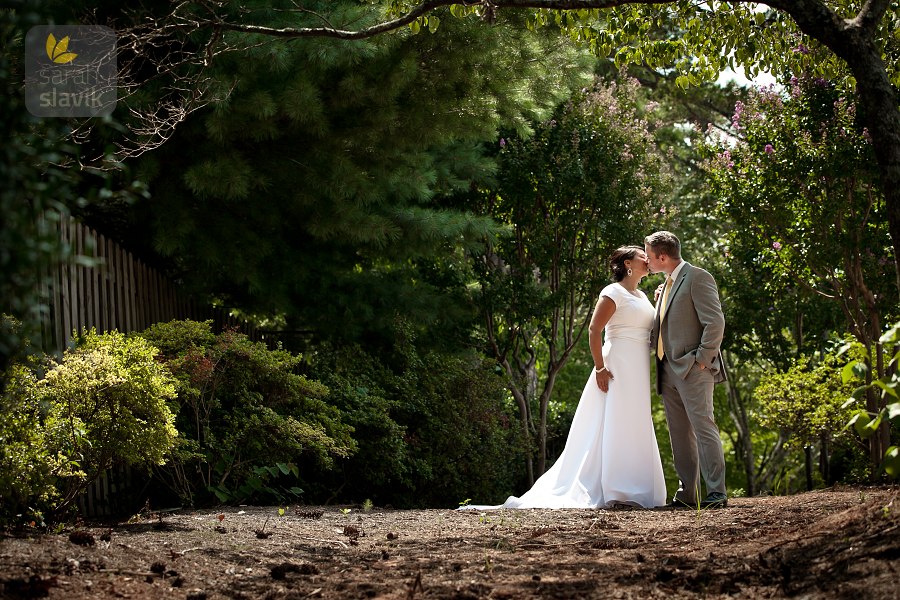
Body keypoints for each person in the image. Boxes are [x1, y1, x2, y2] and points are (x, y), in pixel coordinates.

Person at [461, 246, 666, 510]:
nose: (648, 260)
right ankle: (617, 489)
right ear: (628, 263)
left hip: (638, 367)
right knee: (614, 419)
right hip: (617, 365)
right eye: (642, 256)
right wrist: (600, 368)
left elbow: (649, 327)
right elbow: (594, 330)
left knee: (633, 419)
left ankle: (636, 486)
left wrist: (659, 300)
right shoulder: (612, 292)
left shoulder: (642, 295)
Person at [645, 231, 728, 509]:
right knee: (679, 434)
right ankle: (686, 496)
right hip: (666, 370)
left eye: (649, 255)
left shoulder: (698, 277)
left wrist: (702, 360)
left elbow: (714, 322)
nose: (646, 260)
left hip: (693, 368)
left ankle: (716, 492)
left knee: (704, 427)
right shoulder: (666, 284)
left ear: (663, 257)